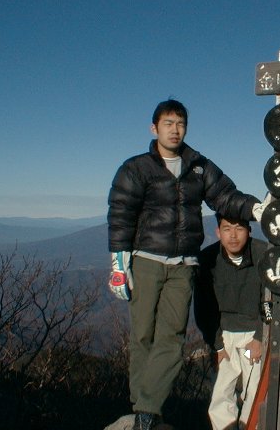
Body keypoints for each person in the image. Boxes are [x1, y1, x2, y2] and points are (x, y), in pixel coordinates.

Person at [107, 99, 266, 430]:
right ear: (154, 128)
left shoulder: (198, 166)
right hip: (147, 259)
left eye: (180, 124)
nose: (175, 130)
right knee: (142, 337)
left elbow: (225, 196)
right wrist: (119, 261)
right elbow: (122, 211)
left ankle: (147, 408)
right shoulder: (137, 168)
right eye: (168, 123)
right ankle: (143, 409)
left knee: (173, 337)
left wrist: (255, 210)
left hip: (183, 264)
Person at [195, 214, 268, 430]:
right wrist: (217, 345)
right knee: (221, 393)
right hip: (224, 337)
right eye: (227, 229)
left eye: (239, 229)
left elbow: (271, 300)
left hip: (251, 338)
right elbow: (203, 308)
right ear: (218, 232)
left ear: (249, 231)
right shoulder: (207, 259)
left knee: (253, 390)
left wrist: (259, 337)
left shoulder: (263, 254)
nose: (233, 236)